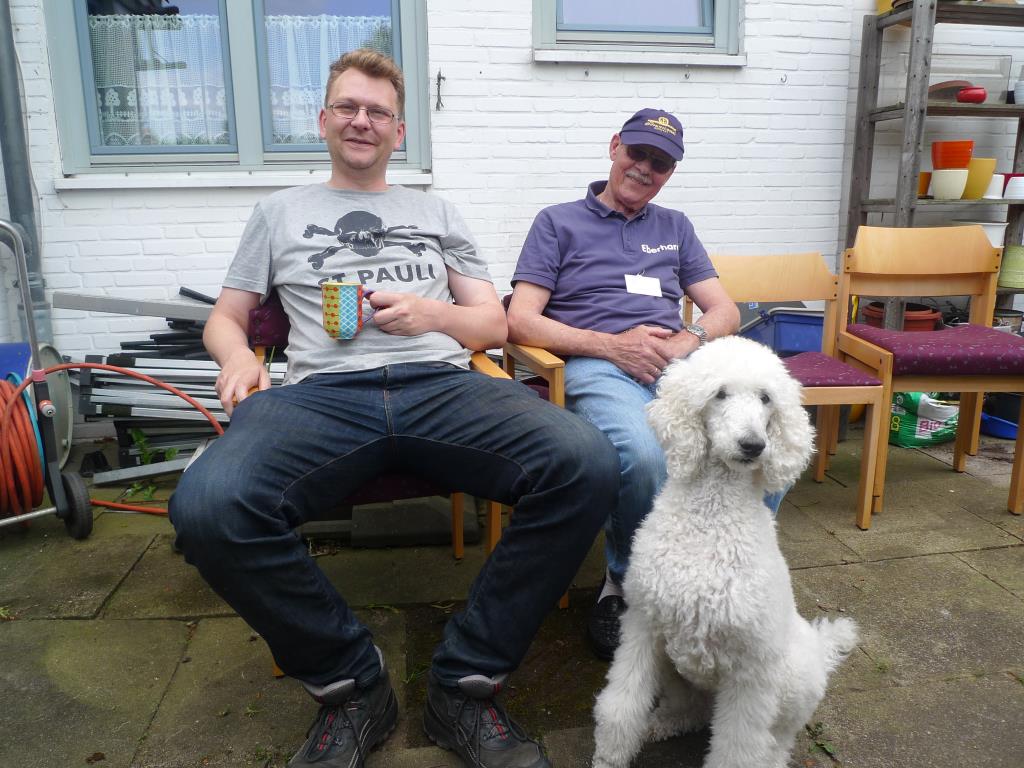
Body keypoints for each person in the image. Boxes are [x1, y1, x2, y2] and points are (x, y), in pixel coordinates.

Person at [169, 49, 618, 768]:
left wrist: (431, 314)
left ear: (398, 131)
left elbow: (493, 324)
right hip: (320, 396)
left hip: (441, 386)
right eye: (348, 107)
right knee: (207, 505)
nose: (362, 120)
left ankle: (466, 683)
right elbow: (226, 317)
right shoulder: (278, 212)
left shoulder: (436, 211)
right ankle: (351, 685)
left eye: (378, 111)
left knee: (586, 461)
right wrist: (237, 358)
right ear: (323, 119)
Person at [507, 108, 767, 661]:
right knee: (646, 455)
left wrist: (689, 339)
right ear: (614, 147)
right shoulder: (557, 222)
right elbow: (521, 320)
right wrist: (610, 346)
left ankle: (719, 568)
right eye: (637, 153)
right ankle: (625, 583)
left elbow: (725, 309)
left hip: (679, 364)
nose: (645, 169)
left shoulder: (675, 226)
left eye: (661, 163)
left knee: (759, 445)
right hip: (598, 363)